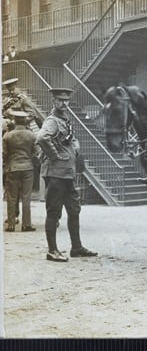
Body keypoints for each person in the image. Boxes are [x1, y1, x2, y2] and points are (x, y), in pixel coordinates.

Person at [36, 87, 97, 262]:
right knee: (54, 212)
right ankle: (52, 250)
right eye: (61, 100)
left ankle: (76, 247)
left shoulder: (65, 119)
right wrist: (56, 155)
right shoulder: (52, 121)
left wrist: (75, 145)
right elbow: (41, 137)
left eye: (67, 100)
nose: (65, 104)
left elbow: (71, 138)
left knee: (74, 209)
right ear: (54, 101)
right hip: (56, 174)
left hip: (67, 174)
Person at [3, 110, 41, 232]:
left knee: (11, 197)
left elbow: (4, 153)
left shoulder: (7, 135)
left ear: (14, 121)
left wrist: (7, 163)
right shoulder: (31, 135)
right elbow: (37, 153)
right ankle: (26, 224)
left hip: (12, 168)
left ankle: (11, 224)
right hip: (28, 168)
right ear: (25, 121)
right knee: (26, 197)